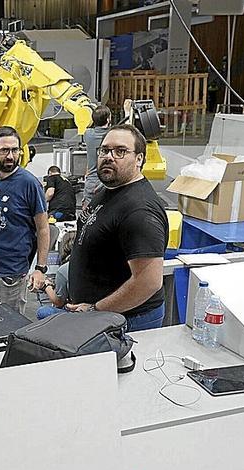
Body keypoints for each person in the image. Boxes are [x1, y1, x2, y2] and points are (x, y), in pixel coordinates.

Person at [67, 124, 168, 332]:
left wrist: (96, 309)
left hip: (126, 321)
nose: (109, 157)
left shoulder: (140, 211)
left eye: (120, 151)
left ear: (139, 159)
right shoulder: (111, 188)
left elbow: (149, 282)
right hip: (100, 316)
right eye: (104, 150)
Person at [0, 126, 50, 316]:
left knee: (8, 326)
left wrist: (40, 268)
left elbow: (43, 229)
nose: (10, 156)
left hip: (12, 273)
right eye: (4, 150)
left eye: (15, 150)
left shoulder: (29, 183)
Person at [81, 105, 111, 208]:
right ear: (108, 119)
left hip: (91, 180)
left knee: (87, 217)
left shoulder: (88, 134)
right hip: (106, 181)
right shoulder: (112, 134)